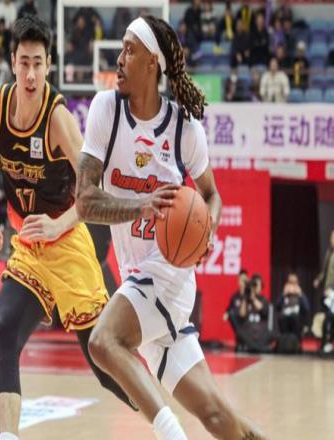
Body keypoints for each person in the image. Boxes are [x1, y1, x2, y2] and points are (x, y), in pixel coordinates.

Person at [76, 15, 266, 440]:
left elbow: (212, 195)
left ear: (152, 63)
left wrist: (208, 229)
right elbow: (84, 201)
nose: (120, 59)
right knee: (219, 417)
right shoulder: (106, 110)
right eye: (121, 49)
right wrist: (141, 206)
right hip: (137, 283)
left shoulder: (184, 128)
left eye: (129, 50)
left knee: (103, 342)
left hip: (168, 271)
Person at [0, 16, 132, 440]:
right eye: (23, 62)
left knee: (104, 363)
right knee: (5, 329)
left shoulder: (58, 119)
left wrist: (57, 225)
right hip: (29, 247)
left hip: (68, 243)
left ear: (49, 66)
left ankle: (162, 416)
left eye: (38, 63)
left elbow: (92, 191)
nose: (30, 74)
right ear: (12, 62)